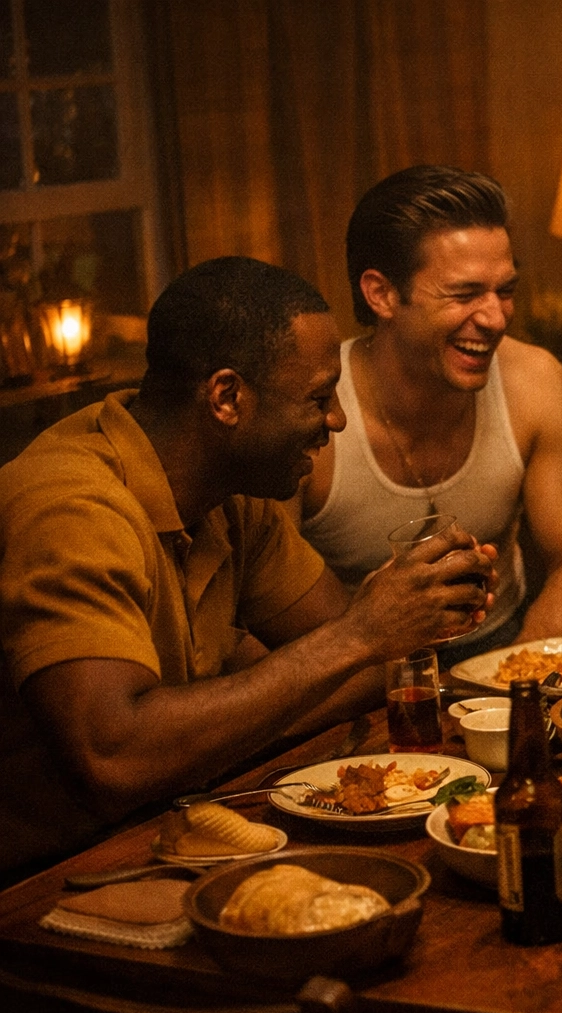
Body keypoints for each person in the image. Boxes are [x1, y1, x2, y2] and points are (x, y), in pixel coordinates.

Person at [0, 256, 494, 878]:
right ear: (227, 397)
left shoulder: (230, 494)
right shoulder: (71, 506)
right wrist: (358, 635)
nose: (336, 419)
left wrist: (413, 607)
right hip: (38, 879)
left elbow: (366, 669)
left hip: (166, 831)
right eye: (319, 397)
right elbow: (113, 756)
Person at [295, 165, 562, 666]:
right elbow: (266, 620)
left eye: (504, 290)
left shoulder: (535, 381)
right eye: (464, 295)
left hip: (505, 650)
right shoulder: (312, 416)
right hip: (350, 678)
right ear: (382, 294)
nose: (495, 318)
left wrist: (516, 684)